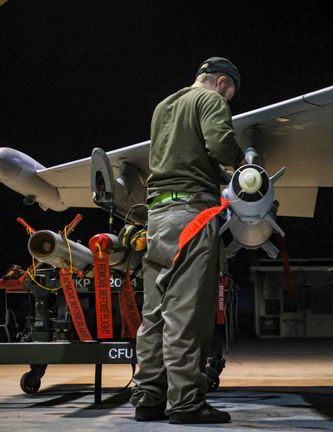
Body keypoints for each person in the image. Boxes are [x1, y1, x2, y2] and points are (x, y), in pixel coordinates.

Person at [130, 57, 245, 424]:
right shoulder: (211, 101)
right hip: (192, 214)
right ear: (222, 83)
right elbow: (221, 146)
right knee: (187, 312)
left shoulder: (164, 106)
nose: (229, 101)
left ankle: (148, 396)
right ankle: (186, 404)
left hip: (157, 218)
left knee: (154, 314)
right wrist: (245, 168)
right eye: (231, 94)